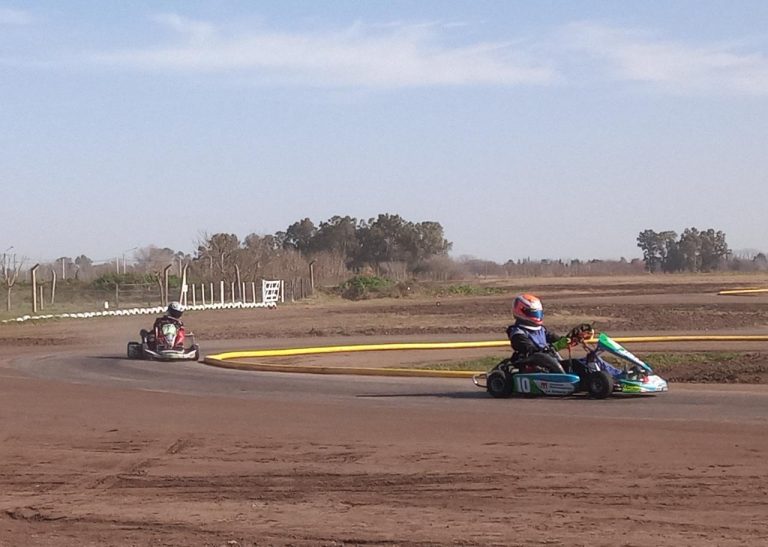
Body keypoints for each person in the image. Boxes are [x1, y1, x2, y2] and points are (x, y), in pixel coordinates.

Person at [506, 294, 593, 374]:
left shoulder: (541, 330)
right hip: (533, 364)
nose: (537, 316)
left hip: (549, 361)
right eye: (534, 313)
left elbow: (554, 338)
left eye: (538, 313)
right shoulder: (517, 333)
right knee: (572, 366)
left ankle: (593, 377)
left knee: (578, 364)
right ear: (521, 311)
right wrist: (553, 348)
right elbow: (529, 349)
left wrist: (570, 339)